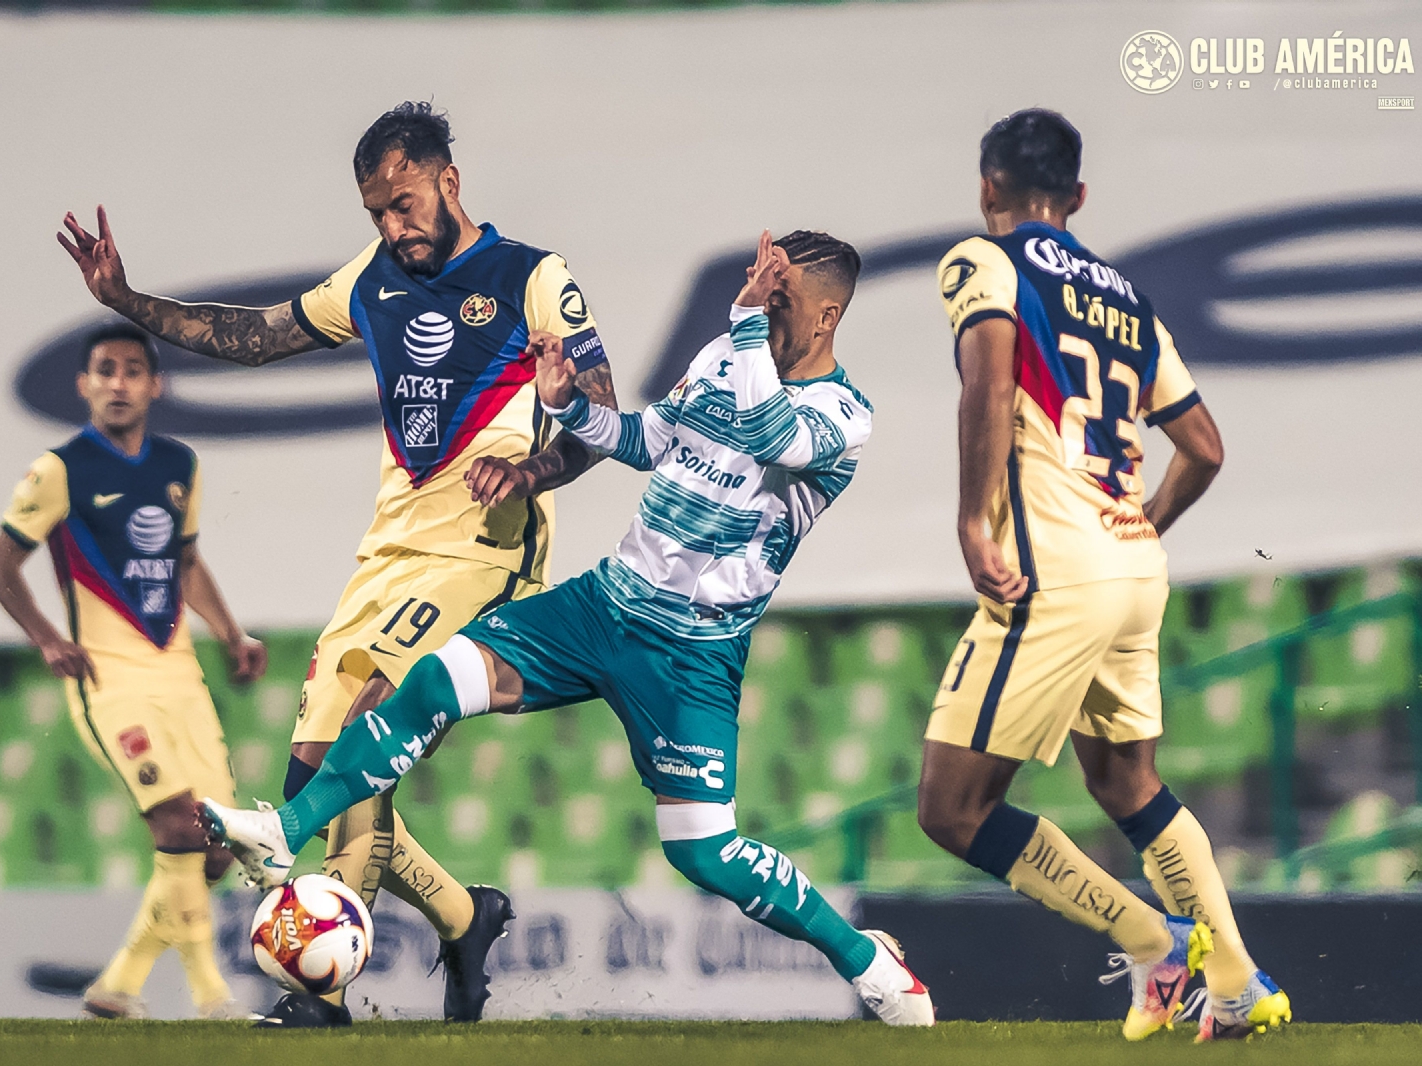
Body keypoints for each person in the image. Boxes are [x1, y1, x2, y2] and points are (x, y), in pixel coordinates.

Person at [203, 229, 937, 1026]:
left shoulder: (843, 415)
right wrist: (567, 406)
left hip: (691, 652)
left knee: (704, 852)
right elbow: (647, 441)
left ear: (826, 317)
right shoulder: (729, 355)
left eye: (780, 298)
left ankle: (867, 961)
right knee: (437, 678)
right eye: (762, 292)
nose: (762, 305)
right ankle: (284, 832)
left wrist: (745, 319)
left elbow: (771, 435)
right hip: (604, 605)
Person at [56, 102, 616, 1026]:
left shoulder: (532, 277)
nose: (393, 228)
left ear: (449, 181)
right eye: (377, 214)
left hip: (483, 550)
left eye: (404, 203)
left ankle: (319, 994)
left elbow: (599, 415)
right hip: (388, 552)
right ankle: (465, 917)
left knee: (368, 731)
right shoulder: (372, 279)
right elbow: (252, 337)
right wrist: (128, 301)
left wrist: (528, 470)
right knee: (316, 775)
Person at [916, 108, 1289, 1042]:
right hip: (1132, 563)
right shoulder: (1128, 299)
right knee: (1128, 784)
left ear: (987, 187)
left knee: (953, 809)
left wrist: (973, 522)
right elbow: (1204, 446)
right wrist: (1142, 523)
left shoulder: (983, 261)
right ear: (1077, 196)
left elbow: (989, 382)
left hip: (1056, 566)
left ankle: (1154, 942)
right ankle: (1236, 984)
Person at [0, 325, 266, 1020]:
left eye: (132, 370)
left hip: (180, 677)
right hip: (109, 681)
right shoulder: (58, 470)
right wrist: (48, 640)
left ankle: (119, 982)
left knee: (217, 847)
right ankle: (211, 997)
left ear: (154, 385)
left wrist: (230, 634)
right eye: (105, 370)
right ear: (84, 385)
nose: (118, 382)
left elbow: (185, 562)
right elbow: (0, 565)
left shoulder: (180, 464)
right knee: (177, 823)